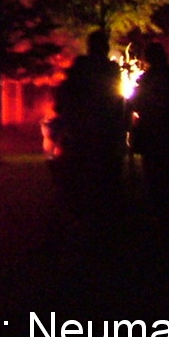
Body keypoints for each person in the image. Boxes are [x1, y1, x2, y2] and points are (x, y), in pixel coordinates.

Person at [52, 30, 127, 230]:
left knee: (86, 174)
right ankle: (104, 216)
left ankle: (87, 215)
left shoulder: (82, 68)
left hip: (86, 131)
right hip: (103, 131)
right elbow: (116, 99)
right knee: (104, 175)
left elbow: (66, 95)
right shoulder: (108, 70)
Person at [129, 42, 169, 221]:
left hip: (152, 131)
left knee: (154, 170)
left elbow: (136, 103)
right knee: (168, 169)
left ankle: (159, 206)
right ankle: (168, 206)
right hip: (168, 129)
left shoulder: (148, 80)